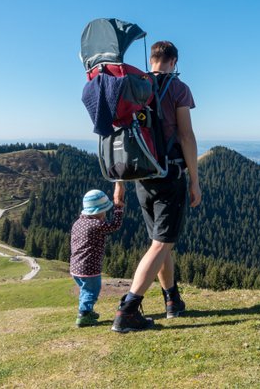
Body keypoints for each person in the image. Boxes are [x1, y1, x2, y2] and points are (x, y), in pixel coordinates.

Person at [111, 41, 201, 333]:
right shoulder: (178, 88)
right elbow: (186, 136)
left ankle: (172, 300)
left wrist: (119, 185)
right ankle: (128, 309)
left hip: (140, 176)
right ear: (173, 61)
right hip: (169, 174)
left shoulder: (133, 86)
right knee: (163, 242)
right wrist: (195, 182)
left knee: (160, 242)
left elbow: (123, 138)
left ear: (152, 59)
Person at [70, 189, 123, 327]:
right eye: (104, 211)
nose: (105, 214)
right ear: (98, 211)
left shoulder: (78, 223)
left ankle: (87, 310)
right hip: (89, 267)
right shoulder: (96, 225)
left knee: (85, 289)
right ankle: (84, 315)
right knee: (91, 290)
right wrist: (118, 209)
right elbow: (115, 226)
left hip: (75, 266)